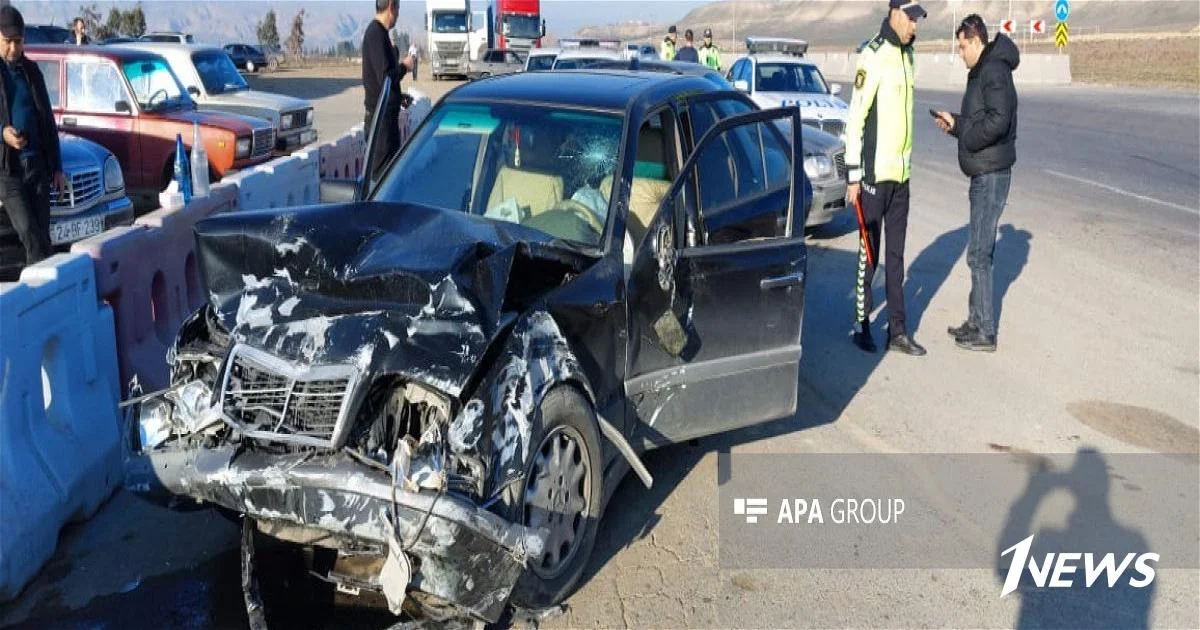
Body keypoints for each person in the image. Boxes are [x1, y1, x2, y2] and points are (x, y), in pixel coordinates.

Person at [846, 0, 927, 356]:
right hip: (873, 178)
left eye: (918, 19)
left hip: (901, 177)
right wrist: (853, 175)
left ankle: (898, 331)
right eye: (912, 18)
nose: (915, 25)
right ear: (895, 13)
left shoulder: (908, 57)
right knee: (870, 254)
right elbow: (855, 119)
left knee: (896, 257)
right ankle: (861, 324)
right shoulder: (873, 55)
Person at [934, 14, 1019, 352]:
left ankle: (985, 330)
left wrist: (967, 139)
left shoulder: (994, 70)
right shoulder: (983, 71)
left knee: (980, 254)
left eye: (962, 45)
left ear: (976, 40)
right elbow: (979, 117)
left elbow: (999, 121)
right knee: (978, 252)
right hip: (983, 172)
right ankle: (976, 320)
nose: (959, 52)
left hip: (991, 173)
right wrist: (956, 124)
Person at [0, 6, 66, 275]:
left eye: (18, 41)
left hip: (36, 167)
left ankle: (40, 294)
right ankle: (44, 295)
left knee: (42, 234)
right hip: (8, 173)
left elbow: (47, 122)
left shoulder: (32, 72)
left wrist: (57, 168)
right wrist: (2, 132)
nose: (14, 48)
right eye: (8, 42)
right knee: (30, 233)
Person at [362, 0, 413, 182]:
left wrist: (398, 97)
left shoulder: (381, 34)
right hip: (380, 125)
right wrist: (405, 67)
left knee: (391, 176)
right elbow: (385, 78)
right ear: (391, 7)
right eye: (398, 9)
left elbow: (382, 83)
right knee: (381, 180)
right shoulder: (375, 34)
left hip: (387, 121)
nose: (398, 14)